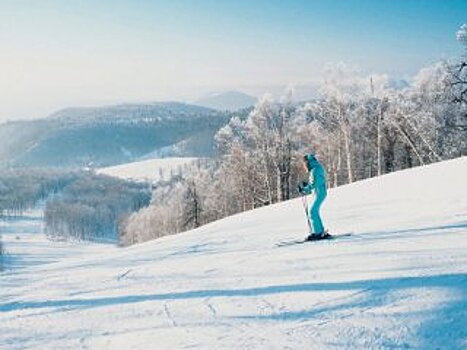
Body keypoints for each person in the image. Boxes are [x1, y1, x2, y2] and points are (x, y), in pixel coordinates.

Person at [298, 154, 328, 240]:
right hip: (319, 192)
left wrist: (304, 189)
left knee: (313, 211)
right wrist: (306, 186)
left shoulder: (315, 170)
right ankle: (320, 231)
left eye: (305, 164)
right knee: (314, 211)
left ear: (308, 162)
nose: (305, 166)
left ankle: (318, 233)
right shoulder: (316, 169)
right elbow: (314, 183)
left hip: (320, 193)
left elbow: (314, 184)